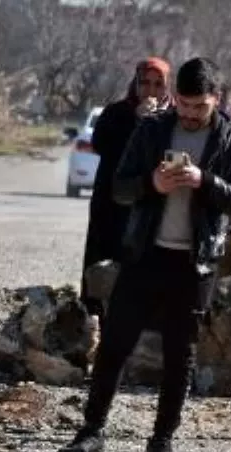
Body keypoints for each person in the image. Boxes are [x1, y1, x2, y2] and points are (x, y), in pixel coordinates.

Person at [58, 57, 231, 452]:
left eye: (199, 107)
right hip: (145, 254)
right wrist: (153, 183)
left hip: (195, 262)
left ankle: (162, 441)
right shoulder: (150, 131)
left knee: (180, 353)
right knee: (114, 345)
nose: (189, 114)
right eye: (183, 105)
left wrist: (205, 182)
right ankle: (92, 431)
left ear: (216, 101)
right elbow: (119, 189)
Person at [81, 57, 172, 318]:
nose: (151, 91)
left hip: (151, 209)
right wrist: (136, 122)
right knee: (102, 273)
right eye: (145, 83)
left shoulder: (174, 118)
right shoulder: (116, 113)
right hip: (111, 209)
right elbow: (102, 145)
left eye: (158, 84)